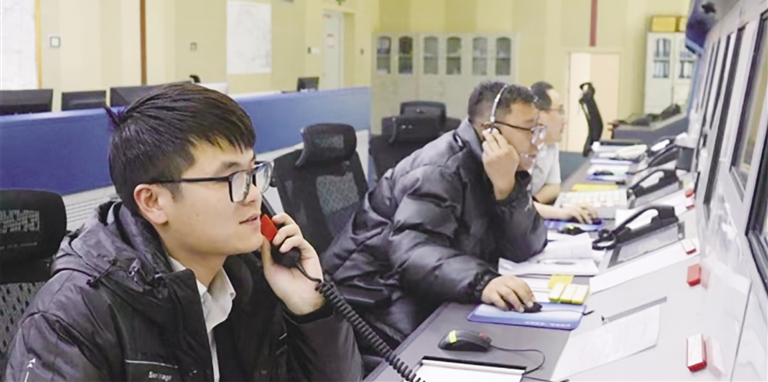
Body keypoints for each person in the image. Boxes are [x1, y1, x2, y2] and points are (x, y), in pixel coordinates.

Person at [4, 84, 363, 382]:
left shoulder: (253, 276)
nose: (254, 194)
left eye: (253, 172)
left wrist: (310, 311)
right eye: (232, 178)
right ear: (153, 202)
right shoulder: (71, 319)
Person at [322, 81, 547, 348]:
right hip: (371, 297)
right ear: (490, 131)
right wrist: (482, 282)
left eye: (539, 130)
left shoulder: (498, 171)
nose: (537, 143)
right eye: (530, 130)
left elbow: (526, 247)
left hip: (421, 287)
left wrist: (507, 191)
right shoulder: (440, 170)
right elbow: (412, 253)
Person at [530, 81, 598, 224]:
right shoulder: (522, 146)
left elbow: (554, 187)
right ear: (540, 115)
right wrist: (561, 212)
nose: (564, 120)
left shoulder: (551, 143)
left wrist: (533, 203)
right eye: (560, 111)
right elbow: (511, 208)